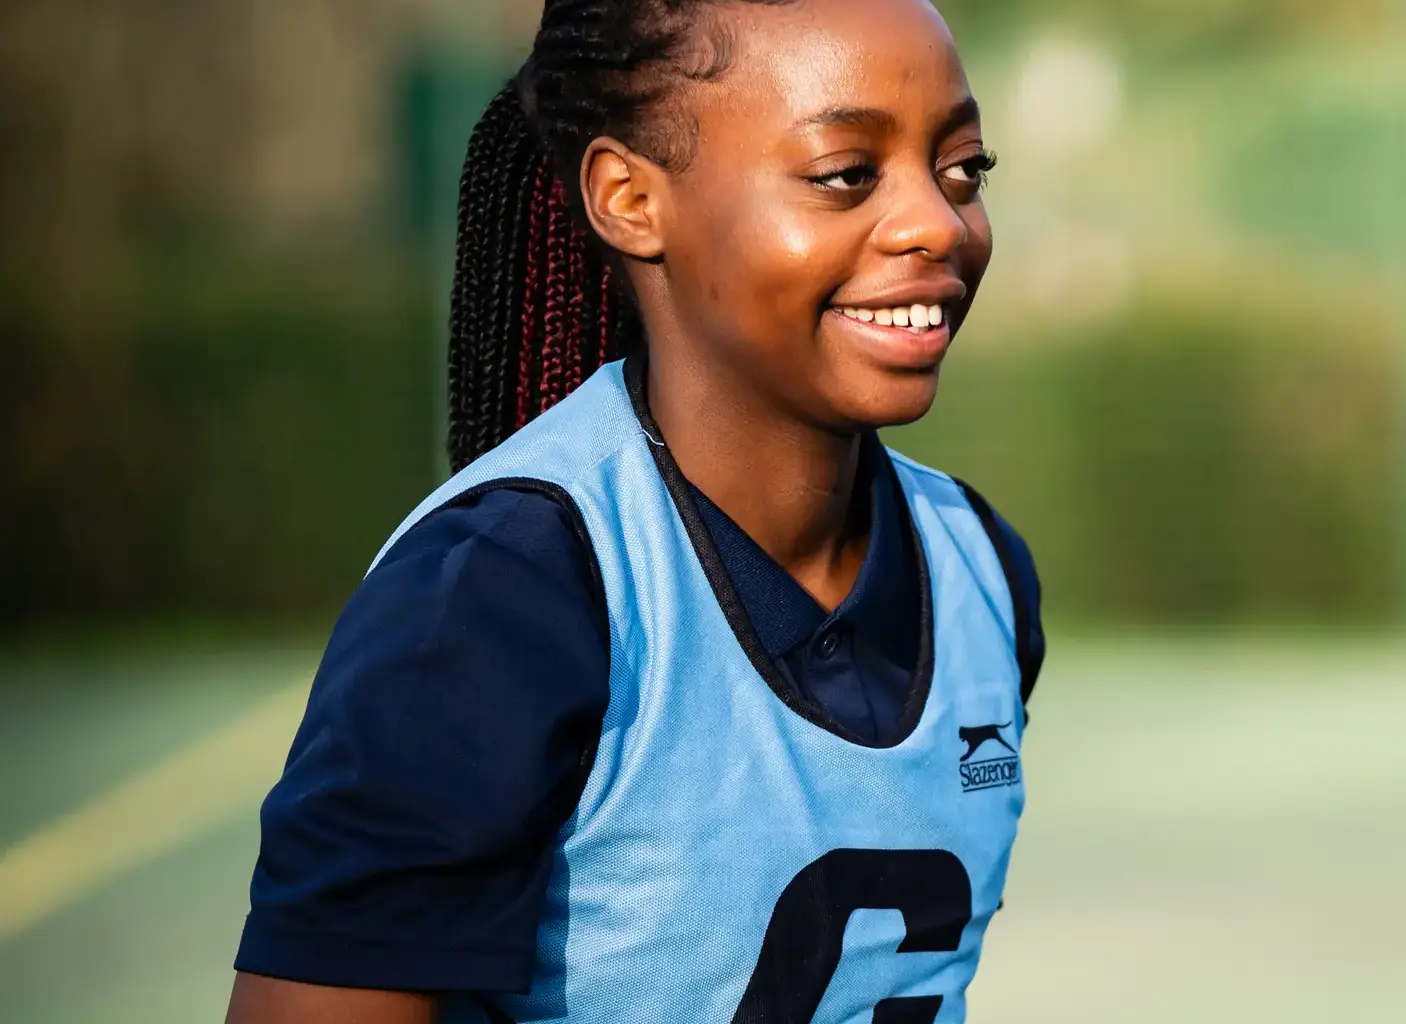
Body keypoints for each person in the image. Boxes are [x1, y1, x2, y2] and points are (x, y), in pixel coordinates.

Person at [223, 1, 1044, 1021]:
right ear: (629, 198)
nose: (935, 221)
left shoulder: (979, 571)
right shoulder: (497, 595)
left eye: (963, 168)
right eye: (846, 174)